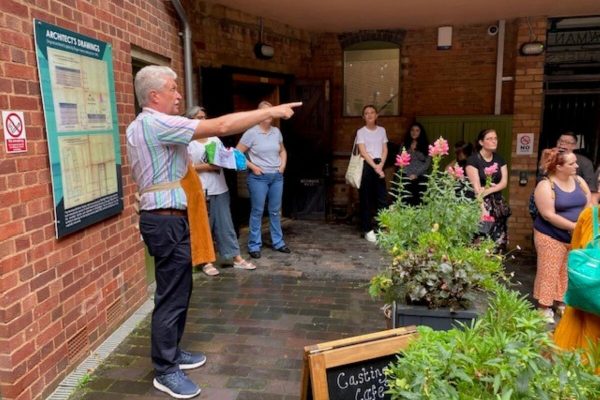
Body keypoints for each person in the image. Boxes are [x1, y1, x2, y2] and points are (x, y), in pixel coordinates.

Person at [127, 65, 300, 399]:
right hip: (163, 220)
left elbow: (205, 149)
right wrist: (272, 112)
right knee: (170, 294)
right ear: (154, 96)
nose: (179, 95)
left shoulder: (157, 128)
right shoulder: (153, 122)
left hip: (170, 218)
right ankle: (165, 370)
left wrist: (233, 158)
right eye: (173, 88)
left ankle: (173, 353)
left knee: (180, 288)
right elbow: (220, 125)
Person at [185, 106, 257, 276]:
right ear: (190, 121)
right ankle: (206, 261)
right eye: (197, 117)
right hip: (200, 190)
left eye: (204, 117)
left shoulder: (214, 139)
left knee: (226, 225)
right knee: (205, 226)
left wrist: (228, 160)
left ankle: (236, 258)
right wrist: (208, 166)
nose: (202, 120)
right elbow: (185, 168)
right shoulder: (188, 142)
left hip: (220, 187)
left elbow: (222, 158)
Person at [532, 148, 591, 323]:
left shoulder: (579, 181)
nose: (576, 165)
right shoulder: (545, 185)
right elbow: (548, 215)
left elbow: (588, 202)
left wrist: (583, 224)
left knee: (566, 270)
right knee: (549, 270)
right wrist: (574, 226)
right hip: (550, 235)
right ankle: (543, 307)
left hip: (574, 236)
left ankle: (561, 302)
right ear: (559, 166)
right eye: (572, 163)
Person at [236, 101, 291, 259]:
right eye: (265, 112)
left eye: (271, 111)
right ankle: (254, 245)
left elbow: (282, 150)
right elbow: (237, 152)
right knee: (257, 211)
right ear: (259, 114)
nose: (269, 115)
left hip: (276, 177)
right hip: (258, 178)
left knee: (275, 211)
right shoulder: (251, 133)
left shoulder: (276, 132)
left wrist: (282, 166)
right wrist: (253, 167)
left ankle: (278, 242)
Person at [554, 205, 600, 351]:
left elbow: (576, 255)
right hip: (582, 311)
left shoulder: (589, 215)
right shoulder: (588, 215)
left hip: (583, 303)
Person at [465, 129, 509, 252]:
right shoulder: (473, 160)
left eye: (495, 138)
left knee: (498, 242)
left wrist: (489, 190)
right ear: (481, 142)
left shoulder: (499, 159)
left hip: (497, 204)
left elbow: (504, 183)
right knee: (480, 239)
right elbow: (476, 188)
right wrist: (482, 209)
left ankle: (495, 268)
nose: (494, 141)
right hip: (479, 203)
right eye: (489, 139)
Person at [355, 104, 388, 242]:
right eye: (366, 113)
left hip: (379, 164)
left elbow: (385, 149)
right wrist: (375, 166)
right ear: (363, 117)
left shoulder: (382, 130)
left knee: (382, 198)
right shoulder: (360, 132)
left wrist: (381, 165)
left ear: (376, 115)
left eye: (372, 112)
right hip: (367, 166)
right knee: (366, 198)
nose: (369, 115)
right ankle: (367, 229)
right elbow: (363, 151)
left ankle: (382, 228)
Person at [400, 122, 430, 206]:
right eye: (412, 130)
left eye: (417, 130)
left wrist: (416, 174)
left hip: (421, 176)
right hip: (407, 176)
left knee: (420, 202)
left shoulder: (426, 146)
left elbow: (427, 163)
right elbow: (401, 161)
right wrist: (409, 174)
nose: (414, 132)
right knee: (407, 201)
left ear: (421, 132)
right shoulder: (404, 145)